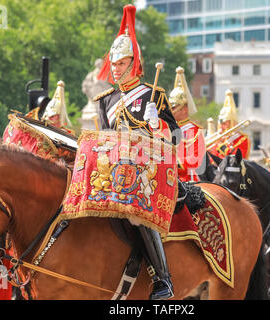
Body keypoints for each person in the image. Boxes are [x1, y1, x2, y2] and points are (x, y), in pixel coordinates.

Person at [94, 4, 181, 300]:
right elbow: (104, 138)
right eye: (113, 64)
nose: (115, 70)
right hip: (112, 170)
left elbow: (178, 137)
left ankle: (163, 280)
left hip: (146, 170)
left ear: (133, 63)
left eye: (120, 64)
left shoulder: (153, 95)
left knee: (136, 213)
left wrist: (158, 125)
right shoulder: (105, 101)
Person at [168, 66, 206, 182]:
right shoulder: (166, 128)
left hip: (187, 180)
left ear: (184, 109)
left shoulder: (194, 131)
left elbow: (194, 159)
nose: (170, 111)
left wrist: (172, 162)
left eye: (173, 108)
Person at [207, 89, 250, 164]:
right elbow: (214, 161)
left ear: (232, 123)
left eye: (224, 123)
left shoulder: (242, 138)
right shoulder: (220, 138)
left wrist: (220, 145)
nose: (221, 127)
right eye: (220, 124)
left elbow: (236, 159)